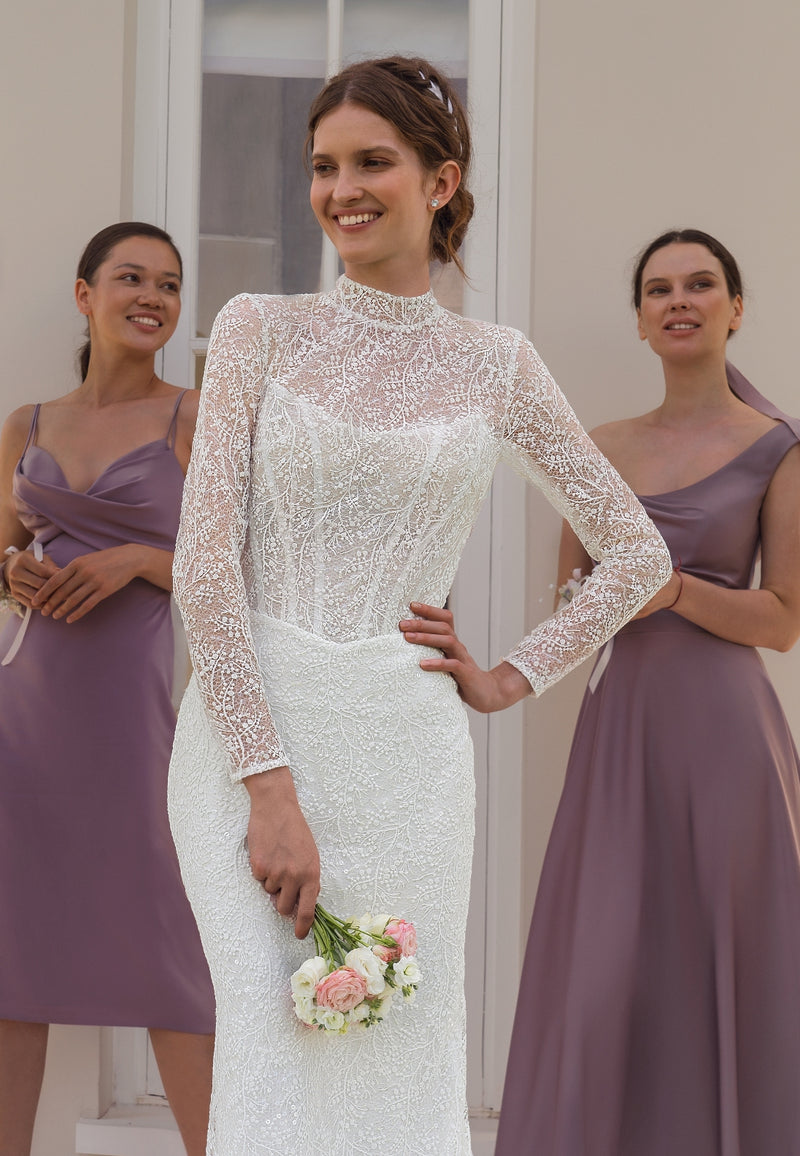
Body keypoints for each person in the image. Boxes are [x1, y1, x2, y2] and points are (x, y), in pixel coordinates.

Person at [167, 57, 671, 1155]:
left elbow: (636, 552)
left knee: (398, 1042)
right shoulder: (259, 328)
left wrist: (507, 675)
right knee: (270, 1027)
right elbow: (202, 567)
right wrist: (266, 785)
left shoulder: (496, 363)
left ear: (439, 182)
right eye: (322, 166)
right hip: (253, 737)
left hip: (407, 755)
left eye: (372, 163)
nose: (341, 189)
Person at [474, 229, 799, 1155]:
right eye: (659, 290)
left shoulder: (780, 447)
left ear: (736, 309)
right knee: (606, 964)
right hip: (622, 724)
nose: (680, 300)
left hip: (727, 733)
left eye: (701, 284)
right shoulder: (597, 447)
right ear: (643, 321)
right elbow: (572, 603)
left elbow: (782, 620)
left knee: (720, 955)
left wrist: (672, 588)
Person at [0, 222, 214, 1156]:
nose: (152, 296)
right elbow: (0, 547)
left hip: (136, 722)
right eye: (130, 277)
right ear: (85, 296)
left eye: (169, 284)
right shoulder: (27, 423)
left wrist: (135, 557)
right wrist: (11, 571)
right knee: (11, 959)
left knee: (171, 956)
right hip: (27, 718)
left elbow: (240, 568)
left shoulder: (194, 416)